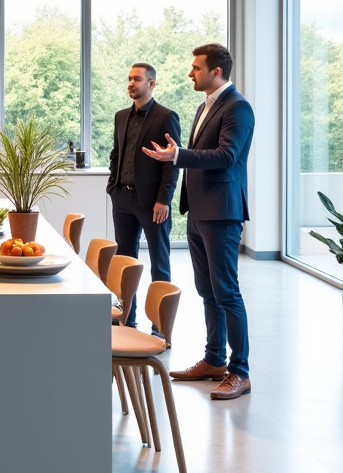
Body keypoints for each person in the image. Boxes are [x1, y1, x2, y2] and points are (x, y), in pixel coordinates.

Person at [142, 43, 255, 400]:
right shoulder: (205, 106)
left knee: (227, 293)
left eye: (196, 68)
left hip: (222, 213)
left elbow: (227, 155)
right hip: (200, 212)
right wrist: (178, 157)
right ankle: (213, 360)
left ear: (216, 71)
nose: (190, 73)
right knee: (207, 291)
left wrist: (178, 155)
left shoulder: (238, 108)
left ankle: (240, 371)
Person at [106, 62, 181, 333]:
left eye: (137, 79)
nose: (131, 83)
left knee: (159, 263)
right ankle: (127, 319)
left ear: (151, 83)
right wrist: (112, 185)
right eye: (129, 78)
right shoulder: (120, 116)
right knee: (125, 263)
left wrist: (164, 199)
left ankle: (160, 327)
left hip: (152, 203)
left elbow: (171, 163)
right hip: (122, 199)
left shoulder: (166, 117)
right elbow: (116, 153)